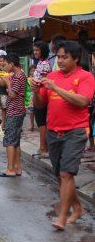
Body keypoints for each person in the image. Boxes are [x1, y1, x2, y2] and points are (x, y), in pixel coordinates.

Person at [32, 41, 95, 230]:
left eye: (64, 57)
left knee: (67, 173)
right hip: (53, 131)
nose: (60, 60)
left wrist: (56, 88)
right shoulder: (51, 76)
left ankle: (62, 217)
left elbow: (82, 101)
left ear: (75, 58)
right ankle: (77, 208)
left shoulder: (86, 77)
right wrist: (35, 92)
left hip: (75, 131)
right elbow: (41, 104)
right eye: (58, 56)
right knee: (61, 176)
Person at [0, 53, 26, 178]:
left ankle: (10, 169)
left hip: (15, 110)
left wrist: (7, 82)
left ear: (12, 64)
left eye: (6, 64)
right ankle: (17, 167)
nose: (4, 66)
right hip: (17, 110)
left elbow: (12, 94)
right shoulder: (19, 74)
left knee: (10, 141)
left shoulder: (18, 76)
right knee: (16, 141)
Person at [32, 40, 51, 156]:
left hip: (41, 93)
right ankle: (43, 147)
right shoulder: (40, 62)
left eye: (37, 50)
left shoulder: (44, 63)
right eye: (34, 50)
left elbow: (44, 80)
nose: (35, 52)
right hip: (38, 92)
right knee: (41, 121)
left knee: (41, 121)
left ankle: (43, 148)